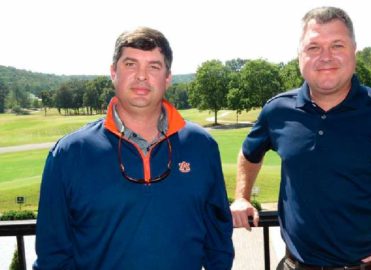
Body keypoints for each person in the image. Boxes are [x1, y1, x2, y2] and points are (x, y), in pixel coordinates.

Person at [230, 6, 371, 270]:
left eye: (337, 45)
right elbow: (249, 153)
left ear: (354, 52)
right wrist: (242, 196)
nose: (325, 57)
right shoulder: (277, 111)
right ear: (299, 56)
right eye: (313, 48)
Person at [33, 27, 234, 270]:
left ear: (168, 77)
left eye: (154, 66)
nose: (141, 76)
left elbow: (218, 239)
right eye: (130, 64)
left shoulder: (202, 146)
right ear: (113, 72)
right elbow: (52, 256)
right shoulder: (69, 154)